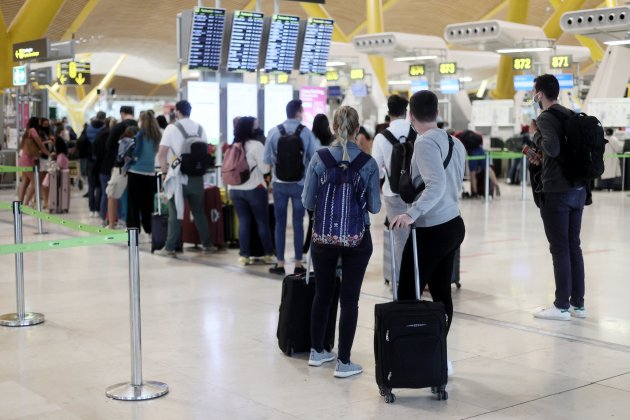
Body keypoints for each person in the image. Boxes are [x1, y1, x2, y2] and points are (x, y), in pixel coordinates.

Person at [391, 90, 466, 376]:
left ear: (411, 115)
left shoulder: (423, 143)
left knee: (408, 290)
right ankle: (438, 353)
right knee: (439, 292)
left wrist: (410, 214)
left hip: (431, 228)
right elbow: (452, 183)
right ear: (436, 112)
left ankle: (415, 356)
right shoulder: (454, 142)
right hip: (452, 223)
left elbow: (436, 186)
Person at [302, 106, 381, 378]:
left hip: (322, 237)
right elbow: (374, 206)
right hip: (357, 239)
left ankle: (316, 351)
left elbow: (307, 201)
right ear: (358, 129)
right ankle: (344, 363)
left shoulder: (319, 158)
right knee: (350, 300)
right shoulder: (367, 163)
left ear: (334, 128)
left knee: (322, 295)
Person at [530, 74, 588, 321]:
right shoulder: (570, 113)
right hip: (578, 189)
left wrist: (535, 134)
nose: (534, 96)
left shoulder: (545, 117)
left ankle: (561, 305)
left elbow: (552, 147)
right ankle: (578, 304)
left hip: (557, 192)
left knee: (560, 248)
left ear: (540, 94)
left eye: (535, 91)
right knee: (574, 246)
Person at [263, 99, 316, 275]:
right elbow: (312, 159)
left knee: (280, 223)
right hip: (300, 184)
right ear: (299, 112)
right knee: (298, 223)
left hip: (279, 184)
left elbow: (267, 160)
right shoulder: (306, 132)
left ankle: (279, 263)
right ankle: (298, 264)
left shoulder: (273, 132)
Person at [157, 100, 216, 257]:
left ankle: (169, 248)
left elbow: (162, 154)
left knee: (175, 213)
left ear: (177, 112)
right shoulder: (200, 129)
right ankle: (207, 244)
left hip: (177, 177)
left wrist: (164, 173)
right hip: (196, 178)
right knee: (198, 212)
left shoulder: (171, 128)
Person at [371, 95, 413, 279]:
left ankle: (402, 283)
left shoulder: (381, 137)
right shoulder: (416, 132)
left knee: (399, 239)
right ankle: (421, 280)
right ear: (407, 111)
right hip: (417, 194)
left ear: (388, 113)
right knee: (420, 237)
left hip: (393, 193)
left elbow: (376, 170)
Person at [228, 116, 274, 266]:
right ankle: (268, 253)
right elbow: (265, 169)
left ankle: (244, 255)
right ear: (250, 129)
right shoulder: (256, 146)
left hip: (234, 189)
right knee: (262, 222)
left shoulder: (233, 146)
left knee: (244, 222)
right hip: (254, 189)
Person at [126, 110, 161, 236]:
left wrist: (129, 159)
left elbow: (136, 153)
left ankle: (134, 229)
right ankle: (149, 228)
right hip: (150, 174)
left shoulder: (140, 135)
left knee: (133, 204)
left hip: (136, 172)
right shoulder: (157, 136)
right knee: (148, 204)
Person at [101, 106, 137, 228]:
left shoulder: (118, 127)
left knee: (112, 194)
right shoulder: (140, 126)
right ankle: (132, 223)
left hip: (121, 167)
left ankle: (111, 224)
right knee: (133, 197)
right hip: (137, 167)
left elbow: (108, 146)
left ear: (122, 113)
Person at [78, 111, 107, 217]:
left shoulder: (88, 128)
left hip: (90, 160)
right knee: (99, 186)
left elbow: (81, 141)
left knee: (91, 186)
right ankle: (97, 209)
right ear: (104, 118)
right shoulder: (104, 129)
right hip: (100, 160)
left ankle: (91, 209)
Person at [17, 117, 50, 205]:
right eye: (38, 123)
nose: (40, 125)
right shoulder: (33, 130)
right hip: (28, 160)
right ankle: (26, 203)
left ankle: (20, 204)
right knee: (36, 182)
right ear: (35, 123)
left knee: (25, 182)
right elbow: (39, 144)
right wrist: (48, 153)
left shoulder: (27, 132)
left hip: (23, 158)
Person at [93, 117, 115, 225]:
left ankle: (103, 218)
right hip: (113, 168)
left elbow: (95, 151)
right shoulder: (114, 136)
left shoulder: (99, 135)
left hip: (102, 167)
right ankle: (114, 218)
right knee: (114, 195)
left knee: (104, 194)